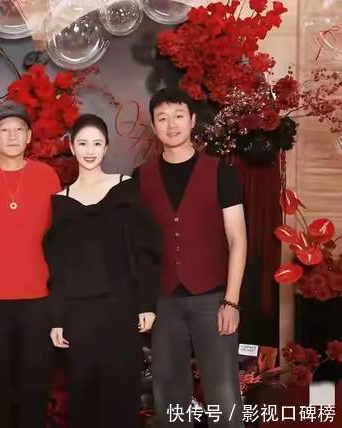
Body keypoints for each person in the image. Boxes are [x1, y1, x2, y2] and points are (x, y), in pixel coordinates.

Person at [133, 88, 247, 428]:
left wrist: (231, 301)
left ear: (193, 120)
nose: (172, 125)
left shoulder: (220, 171)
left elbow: (237, 239)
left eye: (179, 116)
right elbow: (137, 246)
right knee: (168, 396)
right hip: (164, 301)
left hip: (213, 299)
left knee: (224, 393)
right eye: (163, 118)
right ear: (154, 126)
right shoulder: (141, 177)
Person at [43, 113, 161, 428]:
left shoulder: (125, 188)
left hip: (121, 307)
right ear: (72, 146)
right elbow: (58, 265)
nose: (90, 150)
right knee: (82, 396)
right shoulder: (61, 202)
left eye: (97, 143)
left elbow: (145, 248)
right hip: (78, 314)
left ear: (107, 147)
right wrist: (57, 319)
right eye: (83, 143)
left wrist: (147, 303)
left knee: (121, 395)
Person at [0, 100, 61, 427]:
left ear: (29, 135)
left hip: (38, 301)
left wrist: (59, 302)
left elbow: (59, 241)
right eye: (5, 130)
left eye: (19, 130)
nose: (13, 136)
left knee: (35, 387)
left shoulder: (47, 177)